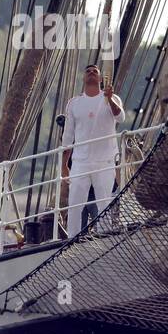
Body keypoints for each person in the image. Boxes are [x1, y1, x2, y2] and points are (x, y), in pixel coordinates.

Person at [61, 64, 124, 238]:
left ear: (100, 78)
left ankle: (103, 237)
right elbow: (68, 136)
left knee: (103, 201)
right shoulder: (74, 103)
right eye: (87, 71)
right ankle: (71, 239)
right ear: (84, 77)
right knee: (74, 203)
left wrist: (109, 98)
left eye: (95, 71)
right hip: (81, 161)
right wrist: (64, 165)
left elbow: (120, 116)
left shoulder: (112, 98)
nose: (91, 73)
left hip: (104, 161)